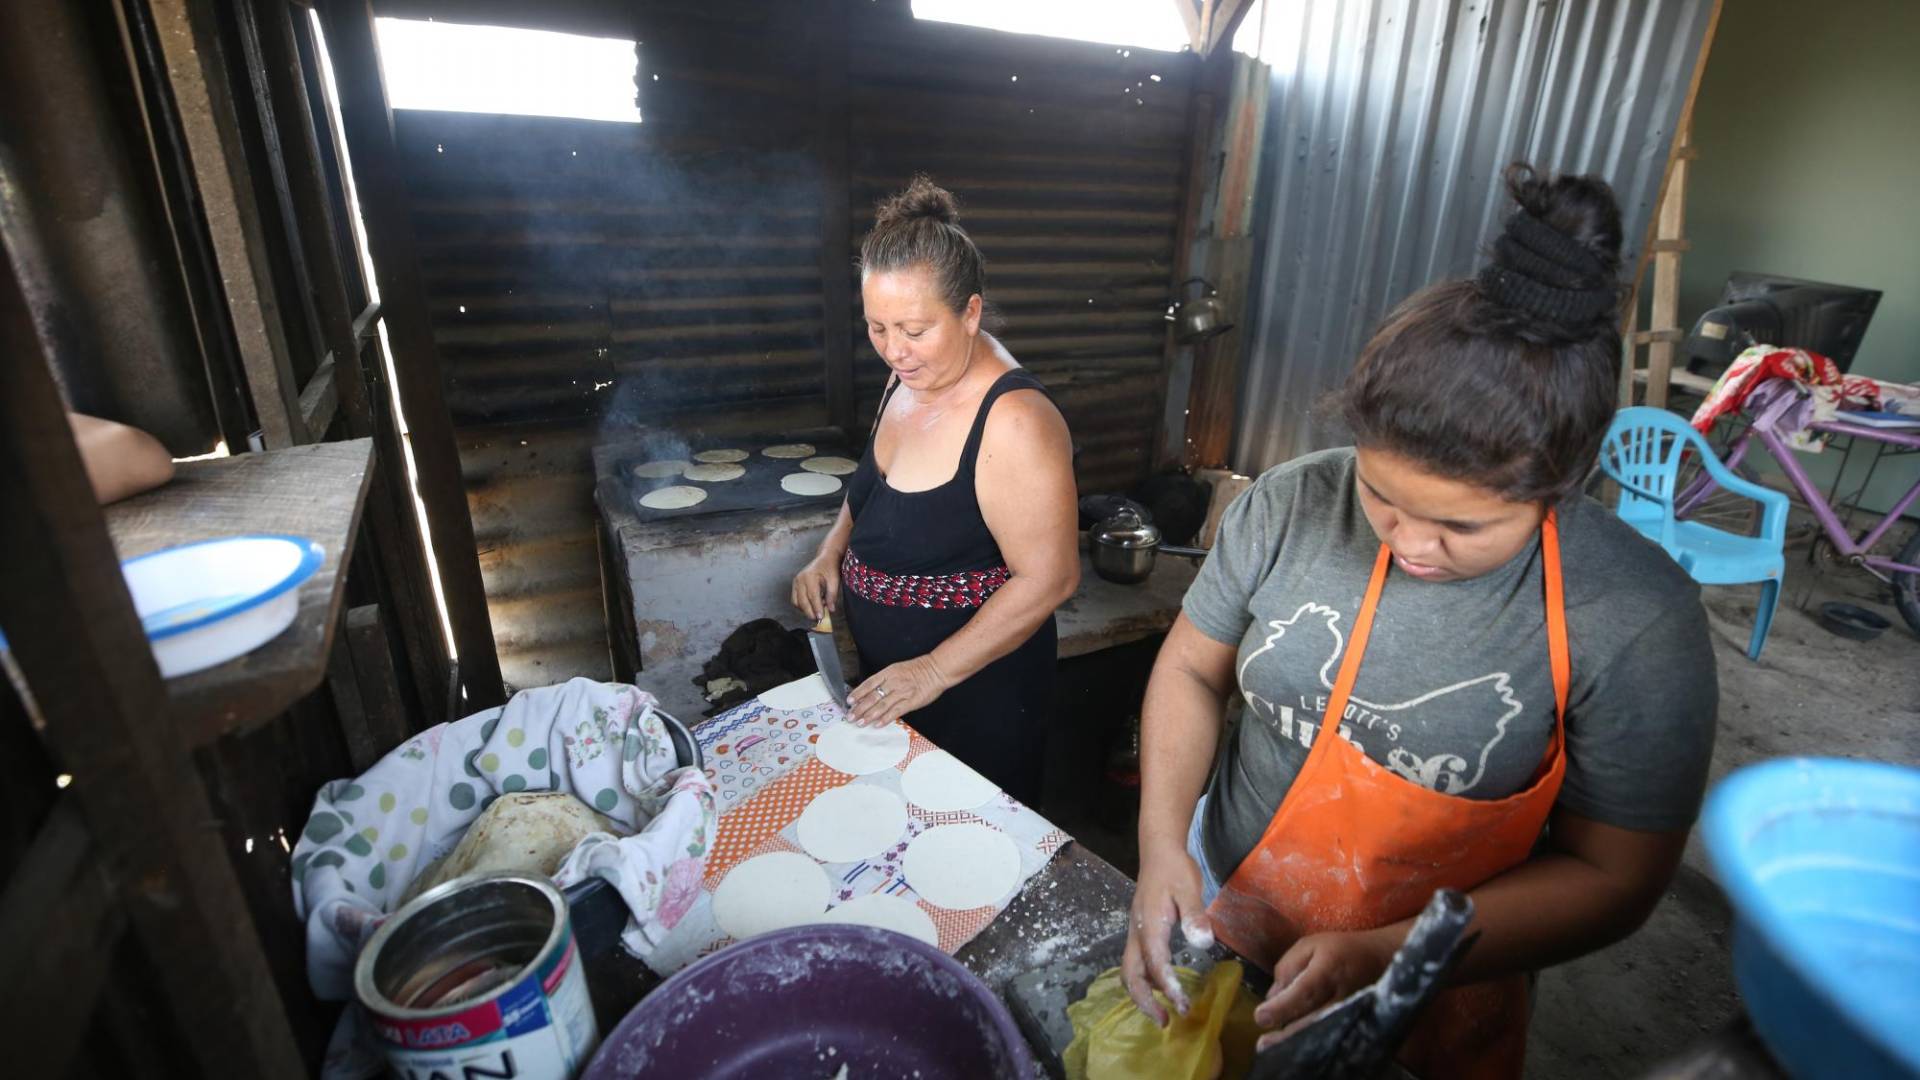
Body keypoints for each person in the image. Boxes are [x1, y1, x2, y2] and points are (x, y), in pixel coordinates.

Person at [1120, 164, 1718, 1078]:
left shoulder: (1634, 616)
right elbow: (1192, 670)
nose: (1408, 543)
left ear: (1559, 487)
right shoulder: (1289, 504)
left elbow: (1616, 879)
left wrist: (1385, 952)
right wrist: (1165, 846)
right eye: (1383, 495)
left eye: (1463, 526)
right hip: (1225, 903)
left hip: (1438, 983)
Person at [790, 176, 1080, 806]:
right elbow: (873, 481)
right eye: (878, 328)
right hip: (896, 688)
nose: (895, 351)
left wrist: (931, 671)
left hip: (979, 699)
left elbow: (1051, 578)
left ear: (971, 312)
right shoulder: (908, 379)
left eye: (915, 330)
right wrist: (830, 550)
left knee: (972, 855)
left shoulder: (1015, 420)